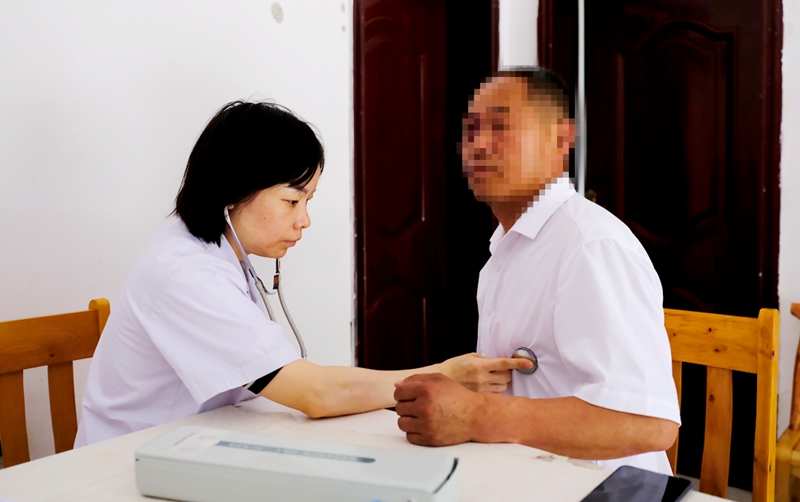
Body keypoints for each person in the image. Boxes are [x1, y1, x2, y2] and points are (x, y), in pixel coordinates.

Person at [75, 101, 532, 447]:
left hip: (195, 446)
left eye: (307, 202)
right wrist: (444, 375)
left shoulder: (217, 257)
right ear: (233, 191)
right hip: (121, 470)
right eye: (292, 201)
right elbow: (315, 394)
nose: (304, 220)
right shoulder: (184, 274)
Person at [393, 68, 681, 475]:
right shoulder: (505, 249)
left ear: (562, 140)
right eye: (471, 130)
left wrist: (476, 415)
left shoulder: (590, 244)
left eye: (500, 127)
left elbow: (650, 424)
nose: (478, 145)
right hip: (527, 476)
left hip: (602, 488)